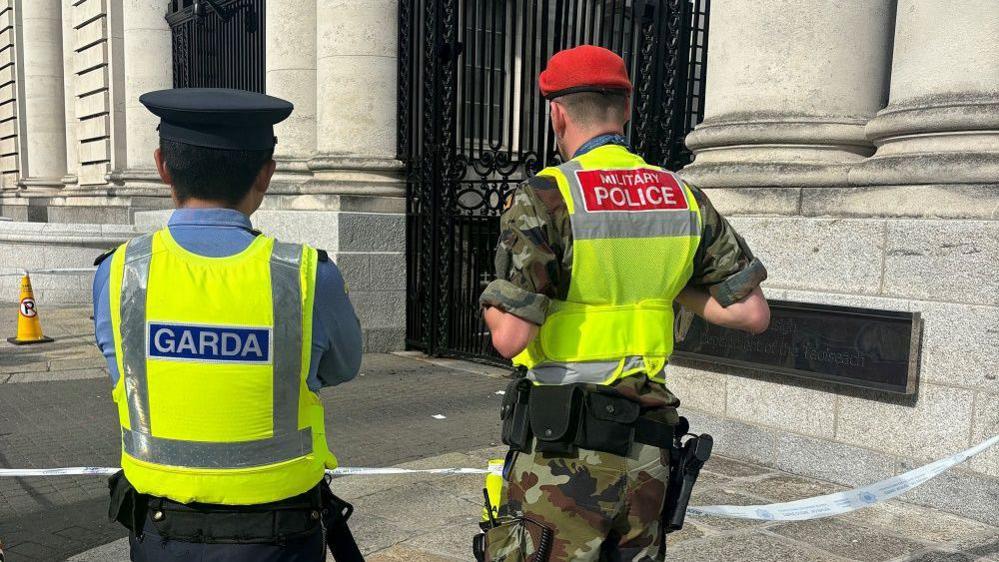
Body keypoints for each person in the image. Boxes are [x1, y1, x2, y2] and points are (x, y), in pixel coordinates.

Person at [478, 45, 771, 561]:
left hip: (563, 450)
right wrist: (671, 283)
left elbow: (511, 338)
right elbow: (750, 313)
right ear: (627, 109)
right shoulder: (682, 196)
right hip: (648, 447)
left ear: (557, 112)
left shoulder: (547, 197)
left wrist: (493, 301)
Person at [92, 88, 364, 562]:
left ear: (162, 166)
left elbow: (125, 371)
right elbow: (341, 368)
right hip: (281, 535)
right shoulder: (306, 275)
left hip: (161, 534)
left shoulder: (118, 274)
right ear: (266, 174)